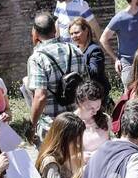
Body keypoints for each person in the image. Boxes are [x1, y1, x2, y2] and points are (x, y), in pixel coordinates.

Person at [27, 11, 84, 142]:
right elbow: (85, 86)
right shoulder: (75, 49)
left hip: (52, 126)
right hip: (77, 120)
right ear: (55, 29)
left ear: (35, 32)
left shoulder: (37, 58)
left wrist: (32, 126)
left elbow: (40, 96)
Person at [100, 0, 138, 85]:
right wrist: (116, 59)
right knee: (130, 92)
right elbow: (103, 39)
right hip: (127, 63)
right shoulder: (119, 19)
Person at [69, 16, 110, 103]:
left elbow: (94, 72)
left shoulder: (95, 50)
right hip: (84, 95)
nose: (74, 36)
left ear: (86, 30)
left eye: (76, 33)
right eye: (71, 34)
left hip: (97, 95)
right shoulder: (75, 50)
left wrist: (77, 61)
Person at [75, 79, 111, 159]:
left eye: (97, 107)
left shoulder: (105, 119)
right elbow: (62, 156)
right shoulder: (70, 123)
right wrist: (79, 157)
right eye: (90, 108)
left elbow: (109, 143)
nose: (95, 112)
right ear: (79, 103)